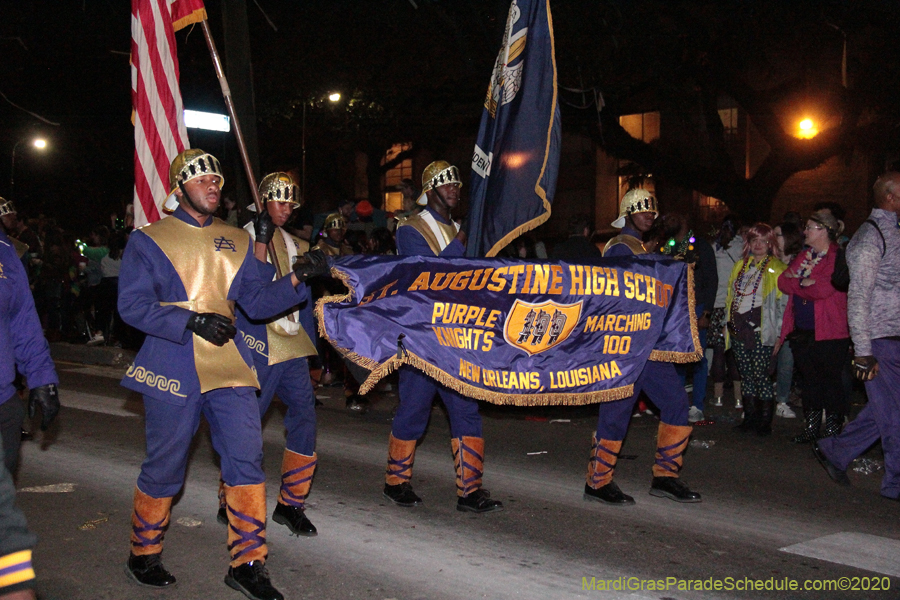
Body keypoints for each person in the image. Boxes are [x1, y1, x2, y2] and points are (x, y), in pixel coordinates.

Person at [117, 149, 327, 600]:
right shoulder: (148, 239)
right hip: (173, 362)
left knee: (246, 458)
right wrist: (189, 320)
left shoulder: (235, 238)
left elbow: (257, 302)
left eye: (216, 179)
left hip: (228, 364)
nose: (213, 185)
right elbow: (131, 306)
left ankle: (248, 563)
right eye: (201, 179)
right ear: (178, 188)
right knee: (166, 464)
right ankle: (143, 553)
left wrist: (296, 280)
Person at [383, 160, 502, 513]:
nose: (454, 189)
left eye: (457, 184)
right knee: (414, 410)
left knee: (466, 408)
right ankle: (396, 481)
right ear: (429, 190)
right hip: (422, 337)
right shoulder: (410, 228)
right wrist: (466, 238)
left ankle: (470, 490)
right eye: (445, 183)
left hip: (460, 339)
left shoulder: (464, 229)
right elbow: (429, 277)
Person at [584, 188, 701, 506]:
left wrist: (674, 265)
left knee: (676, 403)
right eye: (642, 208)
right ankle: (598, 481)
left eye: (652, 209)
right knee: (617, 412)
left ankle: (666, 477)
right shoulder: (619, 247)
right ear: (627, 212)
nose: (650, 213)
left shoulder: (637, 246)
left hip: (649, 347)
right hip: (626, 348)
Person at [226, 172, 323, 538]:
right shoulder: (240, 238)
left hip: (291, 342)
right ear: (262, 200)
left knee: (305, 417)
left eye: (291, 204)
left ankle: (291, 503)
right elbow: (252, 296)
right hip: (255, 342)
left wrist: (312, 348)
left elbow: (303, 299)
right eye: (280, 201)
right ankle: (231, 498)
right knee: (247, 424)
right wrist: (261, 242)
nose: (287, 209)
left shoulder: (295, 243)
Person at [814, 172, 900, 497]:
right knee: (894, 414)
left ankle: (835, 450)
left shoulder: (894, 231)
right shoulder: (870, 235)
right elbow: (859, 296)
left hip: (894, 335)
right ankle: (895, 483)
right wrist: (863, 350)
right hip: (879, 338)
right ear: (889, 198)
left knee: (885, 410)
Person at [0, 226, 61, 600]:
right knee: (5, 524)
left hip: (4, 403)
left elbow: (22, 317)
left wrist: (41, 378)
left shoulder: (5, 249)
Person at [778, 210, 849, 444]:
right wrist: (802, 282)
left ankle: (832, 430)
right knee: (809, 382)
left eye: (809, 227)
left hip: (830, 330)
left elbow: (824, 289)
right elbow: (782, 282)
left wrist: (802, 284)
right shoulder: (805, 255)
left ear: (824, 231)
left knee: (830, 381)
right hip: (803, 329)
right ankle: (811, 428)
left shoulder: (837, 257)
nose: (804, 231)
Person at [724, 224, 788, 436]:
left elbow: (783, 305)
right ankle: (750, 419)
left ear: (770, 244)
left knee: (762, 376)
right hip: (739, 330)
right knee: (746, 375)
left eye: (763, 241)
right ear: (748, 243)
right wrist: (728, 325)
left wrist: (779, 334)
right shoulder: (740, 266)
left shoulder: (777, 268)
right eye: (754, 241)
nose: (758, 245)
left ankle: (764, 423)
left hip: (762, 330)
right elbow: (730, 298)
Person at [658, 213, 718, 423]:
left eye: (670, 217)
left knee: (698, 357)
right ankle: (677, 403)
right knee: (675, 358)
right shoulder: (667, 247)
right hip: (673, 310)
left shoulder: (701, 246)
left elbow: (711, 280)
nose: (666, 221)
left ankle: (697, 405)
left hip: (696, 307)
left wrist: (706, 312)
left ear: (683, 219)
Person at [709, 215, 744, 409]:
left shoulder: (714, 248)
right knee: (735, 353)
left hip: (716, 305)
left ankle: (718, 396)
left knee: (718, 352)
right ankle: (739, 398)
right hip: (736, 305)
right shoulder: (743, 248)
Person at [772, 222, 804, 418]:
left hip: (790, 320)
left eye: (778, 234)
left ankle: (782, 400)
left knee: (786, 362)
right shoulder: (768, 262)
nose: (774, 238)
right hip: (769, 319)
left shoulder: (799, 262)